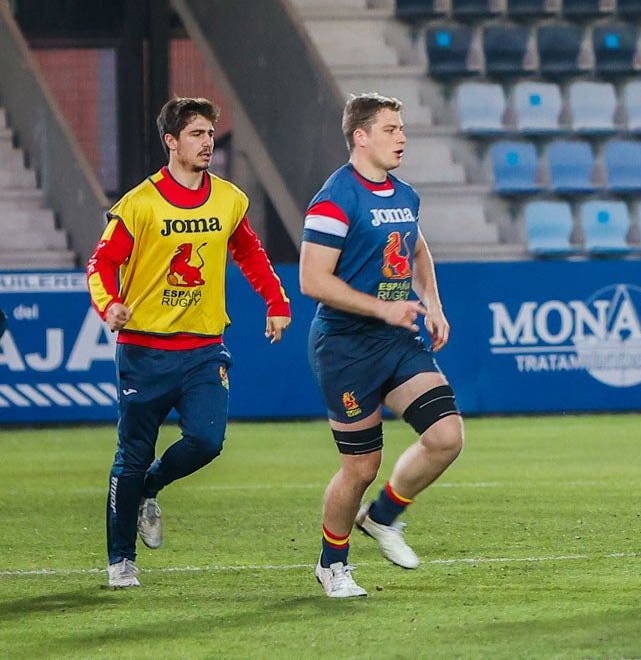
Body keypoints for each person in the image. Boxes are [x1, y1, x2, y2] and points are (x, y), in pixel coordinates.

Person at [86, 97, 292, 589]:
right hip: (144, 350)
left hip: (203, 348)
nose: (207, 142)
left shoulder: (229, 199)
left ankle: (151, 488)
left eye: (210, 133)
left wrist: (276, 301)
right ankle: (121, 560)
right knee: (131, 456)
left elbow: (249, 251)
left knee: (206, 441)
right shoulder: (138, 204)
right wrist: (110, 305)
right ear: (171, 142)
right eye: (196, 134)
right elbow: (100, 264)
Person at [301, 93, 463, 598]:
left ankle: (385, 516)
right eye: (391, 129)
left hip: (395, 338)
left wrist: (431, 303)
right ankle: (332, 563)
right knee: (361, 467)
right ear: (361, 136)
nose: (402, 137)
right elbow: (312, 280)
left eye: (402, 128)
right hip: (345, 346)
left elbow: (416, 247)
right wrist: (382, 308)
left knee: (446, 436)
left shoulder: (404, 195)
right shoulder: (335, 199)